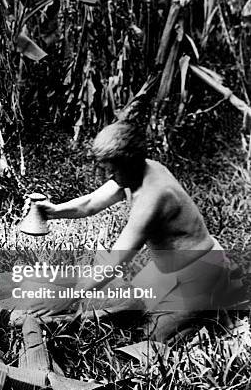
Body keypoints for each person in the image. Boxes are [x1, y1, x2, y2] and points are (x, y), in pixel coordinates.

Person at [26, 122, 233, 339]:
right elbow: (90, 204)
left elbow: (114, 262)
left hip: (201, 271)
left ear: (130, 163)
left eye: (111, 169)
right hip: (168, 271)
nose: (106, 175)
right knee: (127, 310)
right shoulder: (136, 172)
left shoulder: (153, 197)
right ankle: (202, 308)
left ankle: (209, 310)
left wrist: (67, 296)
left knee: (148, 337)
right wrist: (53, 211)